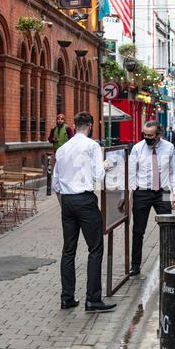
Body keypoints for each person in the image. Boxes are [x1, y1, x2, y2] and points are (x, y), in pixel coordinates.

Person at [52, 111, 116, 312]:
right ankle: (92, 299)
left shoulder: (62, 149)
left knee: (68, 250)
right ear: (90, 126)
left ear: (74, 124)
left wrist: (65, 205)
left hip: (67, 201)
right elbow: (98, 176)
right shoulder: (92, 146)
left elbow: (55, 183)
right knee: (95, 248)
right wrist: (107, 165)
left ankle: (67, 298)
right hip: (85, 200)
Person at [128, 121, 175, 276]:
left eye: (150, 135)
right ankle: (135, 265)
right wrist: (129, 196)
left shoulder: (169, 147)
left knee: (169, 226)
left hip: (162, 191)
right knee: (138, 230)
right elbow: (132, 173)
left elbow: (174, 172)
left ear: (159, 134)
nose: (147, 138)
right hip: (142, 193)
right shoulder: (137, 148)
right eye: (144, 134)